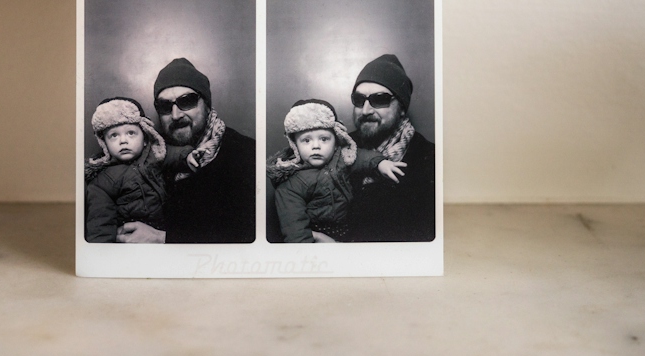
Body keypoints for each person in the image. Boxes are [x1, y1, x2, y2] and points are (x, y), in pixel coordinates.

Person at [115, 57, 256, 244]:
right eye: (165, 106)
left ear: (206, 105)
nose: (176, 115)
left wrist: (162, 238)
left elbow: (246, 235)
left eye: (187, 101)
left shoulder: (245, 153)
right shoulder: (151, 155)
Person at [267, 99, 405, 243]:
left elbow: (362, 157)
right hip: (317, 235)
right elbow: (294, 227)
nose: (316, 146)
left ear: (336, 141)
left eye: (324, 139)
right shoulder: (291, 183)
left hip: (348, 229)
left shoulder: (342, 157)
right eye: (306, 140)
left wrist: (380, 163)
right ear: (295, 146)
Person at [347, 54, 436, 242]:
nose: (366, 110)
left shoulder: (429, 158)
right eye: (359, 99)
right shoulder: (340, 147)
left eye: (380, 99)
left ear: (402, 108)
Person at [83, 98, 190, 243]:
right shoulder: (102, 181)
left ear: (145, 137)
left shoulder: (155, 155)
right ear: (105, 145)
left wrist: (189, 155)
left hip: (165, 232)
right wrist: (102, 252)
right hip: (132, 240)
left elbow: (174, 154)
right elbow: (101, 223)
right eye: (114, 135)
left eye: (131, 133)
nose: (123, 141)